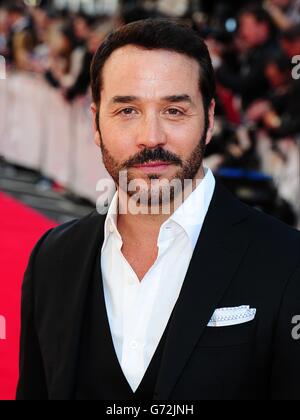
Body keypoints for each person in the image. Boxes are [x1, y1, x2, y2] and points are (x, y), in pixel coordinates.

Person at [17, 19, 300, 401]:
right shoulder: (52, 259)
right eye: (128, 111)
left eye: (174, 111)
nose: (151, 137)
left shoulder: (286, 260)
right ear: (96, 123)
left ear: (210, 119)